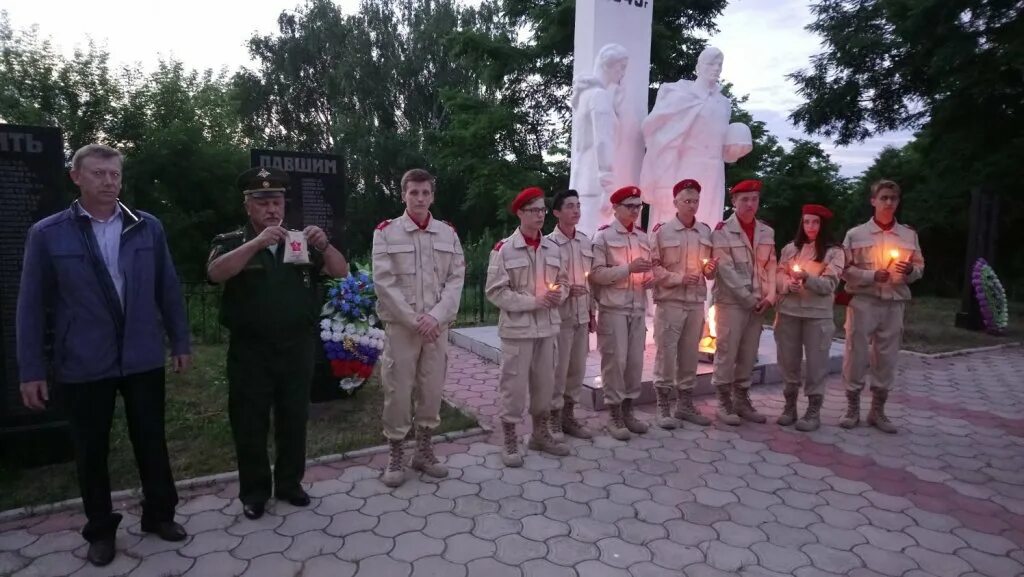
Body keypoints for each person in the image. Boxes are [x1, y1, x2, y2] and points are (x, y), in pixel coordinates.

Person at [16, 144, 191, 567]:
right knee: (91, 449)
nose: (109, 182)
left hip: (142, 355)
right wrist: (31, 369)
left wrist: (180, 340)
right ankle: (99, 530)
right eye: (98, 174)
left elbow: (167, 287)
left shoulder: (146, 227)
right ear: (76, 177)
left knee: (151, 440)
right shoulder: (48, 233)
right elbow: (31, 305)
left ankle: (159, 515)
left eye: (114, 175)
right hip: (83, 360)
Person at [206, 166, 348, 519]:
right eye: (263, 202)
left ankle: (289, 484)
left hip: (296, 346)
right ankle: (254, 492)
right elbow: (214, 274)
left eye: (277, 201)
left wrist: (325, 244)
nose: (271, 208)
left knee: (293, 417)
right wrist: (257, 243)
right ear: (248, 206)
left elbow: (341, 270)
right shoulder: (231, 242)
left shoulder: (298, 242)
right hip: (250, 350)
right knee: (250, 421)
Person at [372, 169, 465, 487]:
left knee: (432, 389)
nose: (420, 198)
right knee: (398, 392)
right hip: (403, 329)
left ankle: (423, 451)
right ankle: (396, 452)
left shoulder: (447, 233)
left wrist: (435, 317)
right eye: (414, 192)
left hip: (435, 329)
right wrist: (416, 320)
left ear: (433, 195)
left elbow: (456, 279)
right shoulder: (386, 233)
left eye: (426, 192)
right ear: (403, 195)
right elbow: (384, 283)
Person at [486, 187, 571, 467]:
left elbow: (565, 282)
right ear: (520, 213)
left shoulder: (553, 248)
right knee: (513, 386)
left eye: (542, 210)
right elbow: (496, 292)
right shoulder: (504, 250)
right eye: (533, 210)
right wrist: (534, 301)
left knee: (545, 385)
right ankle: (510, 438)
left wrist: (561, 294)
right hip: (518, 331)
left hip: (548, 329)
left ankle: (539, 433)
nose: (539, 215)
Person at [840, 180, 924, 433]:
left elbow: (919, 266)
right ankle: (852, 406)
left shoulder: (908, 235)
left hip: (894, 301)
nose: (889, 203)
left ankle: (878, 410)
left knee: (886, 357)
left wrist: (911, 271)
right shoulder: (856, 234)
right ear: (873, 201)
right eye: (884, 197)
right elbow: (843, 269)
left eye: (894, 199)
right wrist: (869, 276)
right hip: (864, 301)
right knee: (856, 354)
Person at [640, 46, 752, 234]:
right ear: (698, 67)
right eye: (710, 63)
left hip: (713, 170)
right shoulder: (680, 96)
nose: (715, 68)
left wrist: (735, 147)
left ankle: (706, 260)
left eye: (719, 65)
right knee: (673, 217)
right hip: (684, 166)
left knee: (709, 221)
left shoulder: (724, 104)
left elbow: (724, 149)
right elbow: (652, 127)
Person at [650, 179, 718, 429]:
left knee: (690, 355)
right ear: (675, 202)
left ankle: (685, 404)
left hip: (695, 302)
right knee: (666, 354)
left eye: (695, 201)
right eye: (687, 201)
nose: (692, 206)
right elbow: (653, 267)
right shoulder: (662, 232)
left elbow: (709, 271)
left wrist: (710, 270)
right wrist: (678, 278)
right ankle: (663, 405)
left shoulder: (705, 232)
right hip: (671, 303)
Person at [710, 179, 777, 426]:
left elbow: (771, 265)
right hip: (732, 303)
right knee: (727, 352)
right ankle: (724, 401)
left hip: (759, 303)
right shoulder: (721, 231)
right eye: (744, 199)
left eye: (754, 199)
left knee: (749, 354)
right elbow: (725, 270)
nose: (750, 204)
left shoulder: (766, 232)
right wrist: (748, 298)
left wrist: (770, 297)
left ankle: (741, 398)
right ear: (734, 202)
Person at [590, 186, 654, 440]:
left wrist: (650, 279)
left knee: (635, 363)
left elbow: (648, 269)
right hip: (613, 308)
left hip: (637, 307)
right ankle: (614, 414)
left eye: (639, 206)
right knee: (615, 362)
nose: (636, 211)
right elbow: (596, 275)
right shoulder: (603, 237)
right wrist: (628, 269)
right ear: (615, 208)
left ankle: (629, 410)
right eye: (630, 206)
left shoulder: (642, 236)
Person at [774, 204, 845, 432]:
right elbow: (776, 276)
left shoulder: (834, 252)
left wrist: (806, 278)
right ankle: (789, 405)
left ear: (823, 225)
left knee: (816, 364)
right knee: (788, 361)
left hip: (817, 316)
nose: (810, 227)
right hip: (788, 313)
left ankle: (813, 410)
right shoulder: (790, 249)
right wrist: (788, 284)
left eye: (815, 222)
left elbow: (829, 285)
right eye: (806, 222)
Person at [546, 189, 596, 441]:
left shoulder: (586, 242)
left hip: (581, 317)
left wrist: (592, 311)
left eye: (578, 205)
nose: (576, 210)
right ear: (556, 212)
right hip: (559, 318)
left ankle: (568, 416)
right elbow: (543, 283)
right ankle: (552, 419)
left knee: (577, 370)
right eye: (569, 206)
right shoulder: (548, 244)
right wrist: (565, 292)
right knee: (558, 370)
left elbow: (592, 281)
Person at [570, 43, 630, 235]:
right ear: (607, 65)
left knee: (582, 238)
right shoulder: (599, 96)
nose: (622, 73)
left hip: (583, 178)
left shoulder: (587, 95)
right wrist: (608, 186)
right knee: (593, 241)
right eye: (621, 67)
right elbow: (603, 142)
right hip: (595, 181)